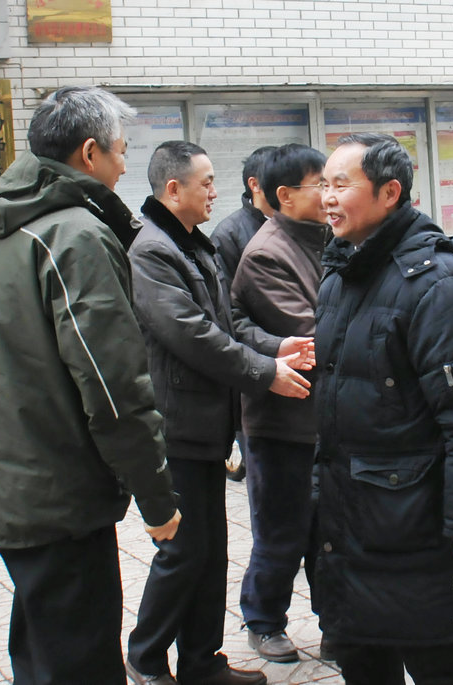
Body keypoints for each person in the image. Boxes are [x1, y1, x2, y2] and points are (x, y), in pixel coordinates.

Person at [0, 85, 182, 685]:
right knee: (80, 661)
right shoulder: (74, 234)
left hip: (14, 479)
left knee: (42, 650)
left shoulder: (4, 223)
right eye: (120, 150)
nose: (123, 165)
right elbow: (113, 388)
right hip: (58, 491)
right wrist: (157, 498)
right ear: (89, 153)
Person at [312, 133, 453, 684]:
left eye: (341, 184)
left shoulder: (436, 284)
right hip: (348, 513)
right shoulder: (341, 272)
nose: (327, 198)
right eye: (324, 184)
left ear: (389, 193)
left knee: (439, 658)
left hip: (415, 521)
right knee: (361, 657)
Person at [125, 140, 313, 685]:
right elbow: (192, 335)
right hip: (177, 425)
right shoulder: (152, 250)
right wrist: (264, 372)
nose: (215, 191)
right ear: (173, 189)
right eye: (205, 182)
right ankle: (145, 656)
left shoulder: (193, 244)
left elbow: (225, 322)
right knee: (183, 552)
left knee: (210, 552)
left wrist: (274, 349)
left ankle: (202, 662)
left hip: (207, 425)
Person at [229, 143, 329, 663]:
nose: (330, 193)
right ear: (285, 195)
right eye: (321, 184)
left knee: (330, 532)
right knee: (282, 531)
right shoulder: (268, 253)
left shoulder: (325, 238)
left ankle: (338, 625)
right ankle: (264, 621)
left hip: (323, 417)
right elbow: (313, 334)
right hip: (283, 422)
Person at [211, 145, 277, 480]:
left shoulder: (299, 225)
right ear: (255, 185)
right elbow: (227, 312)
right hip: (255, 364)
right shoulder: (229, 235)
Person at [212, 145, 277, 288]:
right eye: (280, 178)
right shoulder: (227, 234)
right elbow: (225, 294)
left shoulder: (297, 222)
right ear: (254, 184)